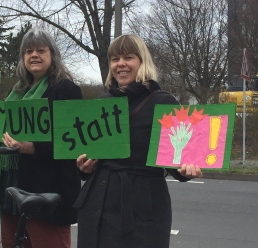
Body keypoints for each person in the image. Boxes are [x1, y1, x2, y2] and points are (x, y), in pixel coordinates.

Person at [73, 34, 203, 248]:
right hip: (97, 204)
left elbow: (176, 160)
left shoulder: (163, 102)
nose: (121, 64)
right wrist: (83, 168)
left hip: (142, 210)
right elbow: (87, 159)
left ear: (142, 62)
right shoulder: (101, 103)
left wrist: (186, 169)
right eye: (115, 59)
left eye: (128, 57)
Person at [0, 28, 82, 248]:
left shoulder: (66, 90)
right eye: (28, 51)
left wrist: (33, 148)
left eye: (40, 50)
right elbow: (4, 135)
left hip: (46, 190)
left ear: (52, 55)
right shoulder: (16, 91)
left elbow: (72, 141)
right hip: (10, 188)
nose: (33, 55)